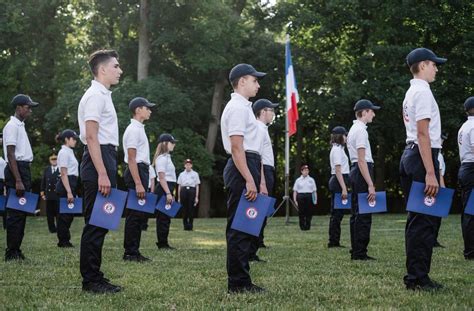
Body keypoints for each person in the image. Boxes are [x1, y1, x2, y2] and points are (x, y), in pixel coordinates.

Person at [400, 47, 446, 290]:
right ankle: (418, 278)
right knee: (424, 221)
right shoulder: (423, 92)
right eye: (434, 64)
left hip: (411, 153)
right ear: (424, 65)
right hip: (421, 155)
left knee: (416, 219)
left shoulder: (411, 92)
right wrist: (431, 171)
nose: (436, 69)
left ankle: (416, 275)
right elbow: (423, 133)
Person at [78, 49, 122, 294]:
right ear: (103, 69)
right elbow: (92, 136)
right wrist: (103, 173)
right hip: (98, 161)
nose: (120, 70)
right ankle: (90, 281)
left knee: (101, 222)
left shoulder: (103, 95)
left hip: (105, 157)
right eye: (116, 66)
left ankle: (95, 275)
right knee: (95, 224)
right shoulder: (95, 95)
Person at [221, 63, 266, 294]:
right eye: (254, 80)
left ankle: (243, 279)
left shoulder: (244, 107)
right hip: (241, 166)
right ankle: (238, 283)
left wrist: (257, 179)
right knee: (239, 228)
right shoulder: (237, 107)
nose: (258, 84)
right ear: (241, 82)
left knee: (247, 227)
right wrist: (249, 179)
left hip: (248, 165)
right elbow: (237, 147)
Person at [3, 94, 39, 261]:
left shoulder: (21, 125)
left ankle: (17, 249)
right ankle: (11, 252)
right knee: (16, 213)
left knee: (22, 211)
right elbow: (11, 154)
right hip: (16, 170)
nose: (29, 110)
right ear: (18, 108)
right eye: (27, 107)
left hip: (24, 169)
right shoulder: (11, 126)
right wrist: (18, 180)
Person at [122, 97, 155, 262]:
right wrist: (138, 183)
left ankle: (134, 250)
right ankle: (130, 252)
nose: (150, 110)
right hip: (136, 171)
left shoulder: (139, 128)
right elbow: (132, 158)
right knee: (134, 214)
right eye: (147, 108)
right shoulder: (133, 130)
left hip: (142, 171)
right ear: (138, 110)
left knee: (139, 214)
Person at [347, 99, 380, 260]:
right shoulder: (361, 130)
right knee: (364, 214)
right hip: (362, 170)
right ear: (364, 112)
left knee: (356, 214)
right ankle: (360, 252)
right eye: (372, 111)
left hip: (356, 170)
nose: (373, 114)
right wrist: (370, 184)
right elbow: (362, 160)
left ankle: (356, 250)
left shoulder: (354, 129)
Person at [249, 98, 278, 261]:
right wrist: (262, 183)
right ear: (262, 112)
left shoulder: (263, 129)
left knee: (262, 212)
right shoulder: (259, 128)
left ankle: (257, 243)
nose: (273, 113)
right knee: (258, 212)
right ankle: (251, 250)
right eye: (271, 110)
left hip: (267, 170)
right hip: (263, 171)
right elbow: (258, 157)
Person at [153, 133, 178, 249]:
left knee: (166, 218)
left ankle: (164, 242)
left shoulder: (168, 157)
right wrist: (168, 193)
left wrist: (170, 192)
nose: (174, 145)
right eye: (172, 142)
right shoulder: (161, 159)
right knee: (163, 218)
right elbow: (162, 178)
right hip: (164, 188)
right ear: (165, 143)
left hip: (168, 188)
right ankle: (162, 244)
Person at [55, 129, 79, 248]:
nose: (75, 141)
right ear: (66, 139)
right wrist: (69, 191)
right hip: (66, 184)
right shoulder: (63, 152)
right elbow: (63, 173)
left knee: (69, 214)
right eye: (73, 138)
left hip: (72, 183)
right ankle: (63, 241)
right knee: (64, 215)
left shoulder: (70, 151)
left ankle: (65, 239)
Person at [457, 96, 474, 261]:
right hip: (471, 168)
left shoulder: (464, 126)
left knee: (468, 211)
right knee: (471, 212)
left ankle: (470, 249)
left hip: (466, 168)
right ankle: (470, 251)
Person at [328, 126, 350, 248]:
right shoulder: (336, 150)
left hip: (340, 180)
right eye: (345, 135)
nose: (346, 137)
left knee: (339, 213)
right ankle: (333, 241)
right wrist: (344, 188)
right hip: (338, 181)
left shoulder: (340, 149)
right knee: (336, 213)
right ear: (339, 136)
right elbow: (338, 170)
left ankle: (335, 240)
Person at [177, 159, 200, 231]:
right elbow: (179, 186)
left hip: (192, 190)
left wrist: (196, 197)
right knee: (184, 209)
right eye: (186, 164)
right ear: (184, 165)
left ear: (191, 165)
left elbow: (197, 186)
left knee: (191, 209)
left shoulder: (195, 174)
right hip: (183, 191)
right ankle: (185, 225)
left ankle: (190, 226)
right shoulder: (181, 174)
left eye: (189, 164)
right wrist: (179, 197)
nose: (188, 166)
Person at [293, 165, 317, 231]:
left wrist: (315, 200)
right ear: (301, 171)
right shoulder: (298, 180)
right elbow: (295, 191)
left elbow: (314, 191)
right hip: (301, 196)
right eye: (305, 170)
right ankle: (302, 226)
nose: (306, 172)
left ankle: (308, 226)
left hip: (309, 196)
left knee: (309, 212)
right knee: (301, 212)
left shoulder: (311, 180)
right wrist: (295, 200)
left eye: (307, 170)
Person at [434, 133, 447, 248]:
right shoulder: (438, 155)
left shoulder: (438, 154)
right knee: (436, 216)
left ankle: (433, 239)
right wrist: (443, 189)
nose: (442, 142)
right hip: (437, 187)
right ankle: (433, 239)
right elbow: (439, 174)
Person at [41, 155, 60, 233]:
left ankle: (59, 228)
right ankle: (52, 229)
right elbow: (43, 181)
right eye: (52, 160)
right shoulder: (47, 169)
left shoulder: (61, 169)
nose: (54, 161)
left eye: (55, 159)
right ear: (50, 161)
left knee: (58, 213)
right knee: (49, 214)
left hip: (58, 194)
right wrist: (42, 193)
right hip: (49, 195)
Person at [0, 133, 7, 230]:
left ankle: (6, 225)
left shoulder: (4, 152)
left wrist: (5, 187)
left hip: (2, 182)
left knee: (4, 205)